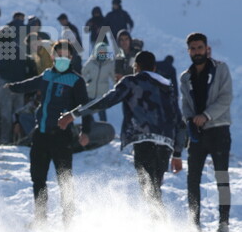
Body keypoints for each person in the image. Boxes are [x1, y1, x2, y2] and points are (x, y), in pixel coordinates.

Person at [60, 50, 186, 209]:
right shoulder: (168, 87)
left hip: (144, 139)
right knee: (154, 186)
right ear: (154, 68)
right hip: (165, 142)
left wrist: (75, 114)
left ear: (136, 67)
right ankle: (158, 223)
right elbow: (179, 122)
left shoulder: (131, 81)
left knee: (148, 188)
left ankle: (161, 224)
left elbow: (106, 101)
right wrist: (177, 153)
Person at [5, 41, 92, 224]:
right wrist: (12, 86)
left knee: (65, 181)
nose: (62, 59)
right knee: (38, 180)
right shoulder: (46, 75)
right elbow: (27, 85)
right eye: (59, 55)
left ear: (71, 58)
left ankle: (68, 220)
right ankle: (40, 218)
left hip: (61, 136)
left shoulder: (76, 81)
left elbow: (86, 108)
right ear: (53, 57)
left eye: (66, 56)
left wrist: (86, 131)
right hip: (41, 135)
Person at [181, 32, 234, 232]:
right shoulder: (185, 77)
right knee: (192, 179)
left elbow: (226, 97)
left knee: (221, 176)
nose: (197, 52)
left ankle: (224, 223)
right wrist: (189, 120)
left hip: (219, 129)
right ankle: (194, 223)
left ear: (207, 48)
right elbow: (185, 103)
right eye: (193, 49)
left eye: (200, 48)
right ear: (189, 51)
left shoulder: (221, 69)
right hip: (197, 134)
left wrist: (206, 115)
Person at [0, 23, 38, 144]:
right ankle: (19, 139)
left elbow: (1, 67)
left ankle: (5, 139)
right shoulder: (19, 49)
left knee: (6, 114)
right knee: (18, 113)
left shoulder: (4, 48)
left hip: (5, 85)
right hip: (20, 86)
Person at [82, 42, 115, 121]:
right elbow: (83, 73)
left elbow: (114, 77)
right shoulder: (91, 62)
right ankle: (88, 128)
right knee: (88, 112)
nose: (102, 55)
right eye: (100, 53)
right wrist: (87, 80)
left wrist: (117, 86)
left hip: (102, 93)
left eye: (104, 53)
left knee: (102, 113)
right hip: (90, 91)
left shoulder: (109, 64)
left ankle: (104, 128)